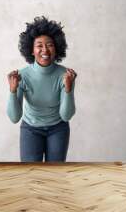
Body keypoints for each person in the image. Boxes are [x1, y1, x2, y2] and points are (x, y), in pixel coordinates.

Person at [7, 16, 77, 162]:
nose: (45, 50)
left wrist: (69, 90)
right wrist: (13, 91)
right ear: (32, 50)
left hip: (58, 128)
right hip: (30, 129)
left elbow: (66, 116)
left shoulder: (65, 76)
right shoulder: (22, 76)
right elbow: (14, 117)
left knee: (55, 176)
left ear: (56, 47)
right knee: (31, 175)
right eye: (39, 45)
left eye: (50, 45)